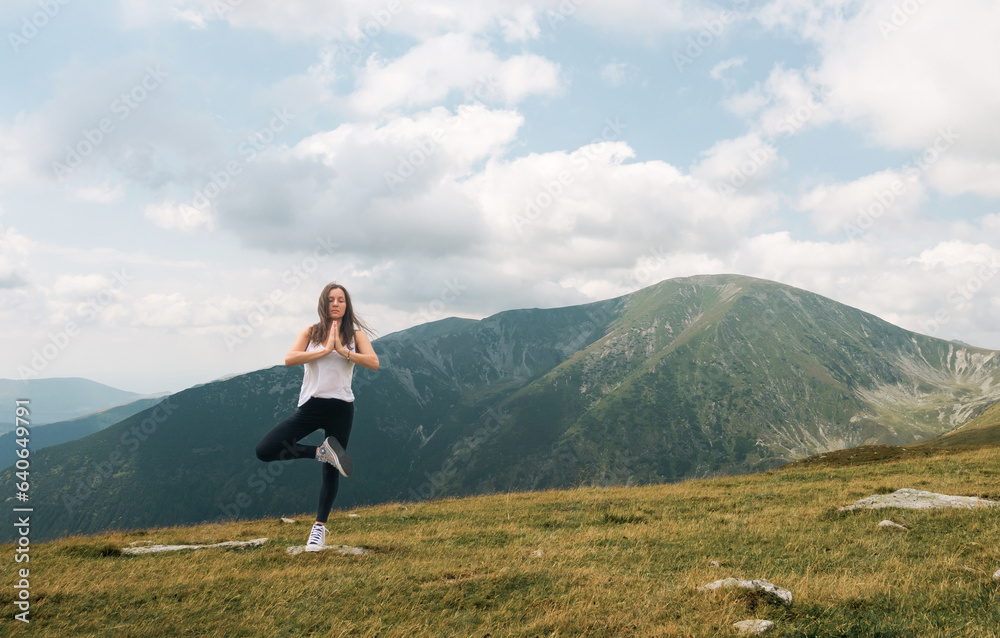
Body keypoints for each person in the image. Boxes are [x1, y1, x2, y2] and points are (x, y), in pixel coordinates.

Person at [255, 282, 378, 551]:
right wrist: (324, 350)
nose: (336, 304)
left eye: (341, 300)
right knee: (265, 449)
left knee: (331, 471)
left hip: (341, 408)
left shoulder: (355, 336)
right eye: (331, 299)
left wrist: (343, 351)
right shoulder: (311, 332)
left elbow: (373, 362)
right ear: (323, 303)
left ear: (347, 305)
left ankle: (319, 529)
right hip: (312, 407)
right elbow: (290, 358)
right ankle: (320, 452)